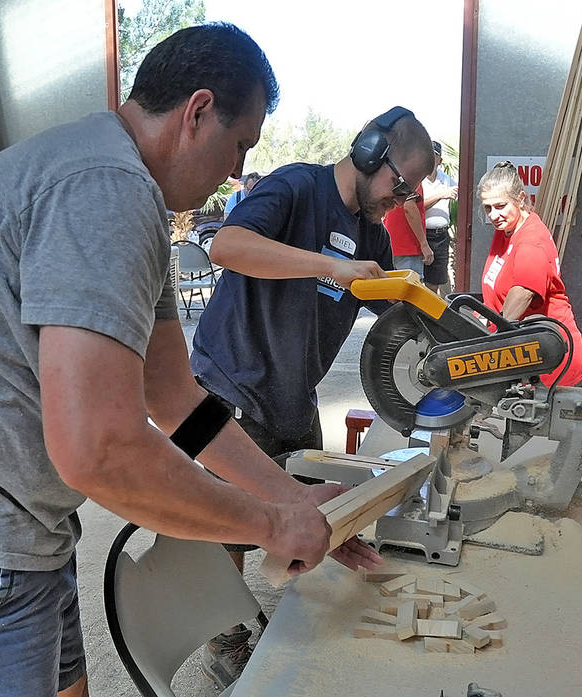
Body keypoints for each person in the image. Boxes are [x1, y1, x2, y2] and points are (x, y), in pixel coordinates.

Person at [0, 23, 380, 697]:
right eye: (239, 146)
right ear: (197, 112)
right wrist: (268, 524)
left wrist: (293, 497)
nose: (237, 172)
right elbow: (98, 450)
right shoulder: (107, 189)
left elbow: (174, 398)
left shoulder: (111, 179)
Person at [190, 106, 435, 684]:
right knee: (227, 521)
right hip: (235, 380)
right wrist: (331, 266)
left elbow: (393, 314)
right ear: (370, 150)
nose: (399, 202)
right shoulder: (297, 187)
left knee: (310, 504)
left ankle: (289, 616)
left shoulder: (371, 231)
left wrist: (435, 325)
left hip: (293, 390)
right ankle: (221, 637)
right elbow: (226, 246)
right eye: (398, 185)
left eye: (410, 193)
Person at [477, 161, 582, 387]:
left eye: (500, 205)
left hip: (551, 357)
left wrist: (491, 342)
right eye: (487, 208)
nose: (493, 215)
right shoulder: (507, 229)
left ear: (520, 198)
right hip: (528, 350)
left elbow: (523, 292)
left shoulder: (531, 241)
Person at [420, 140, 458, 292]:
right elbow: (416, 206)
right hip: (421, 234)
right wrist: (440, 195)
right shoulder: (418, 179)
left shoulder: (447, 179)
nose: (430, 158)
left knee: (435, 281)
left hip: (441, 235)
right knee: (416, 278)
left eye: (434, 155)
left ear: (440, 160)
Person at [383, 183, 431, 276]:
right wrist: (424, 244)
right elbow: (409, 206)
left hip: (392, 243)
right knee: (411, 286)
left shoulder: (394, 179)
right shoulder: (413, 180)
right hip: (409, 245)